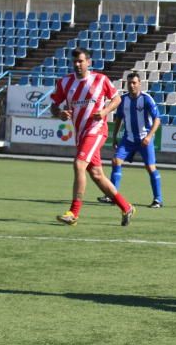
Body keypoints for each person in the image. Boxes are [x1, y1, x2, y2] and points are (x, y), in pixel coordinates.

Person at [51, 47, 134, 226]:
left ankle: (73, 212)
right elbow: (53, 106)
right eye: (74, 61)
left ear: (88, 62)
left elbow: (117, 99)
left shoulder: (100, 79)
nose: (77, 64)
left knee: (79, 164)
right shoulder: (65, 82)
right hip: (81, 134)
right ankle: (126, 207)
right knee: (97, 175)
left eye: (81, 61)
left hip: (96, 130)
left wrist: (104, 111)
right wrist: (60, 114)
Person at [97, 72, 164, 208]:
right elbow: (119, 119)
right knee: (116, 161)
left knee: (150, 168)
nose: (132, 85)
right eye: (129, 83)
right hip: (128, 139)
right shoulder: (123, 100)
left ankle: (158, 199)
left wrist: (149, 136)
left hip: (145, 139)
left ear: (139, 84)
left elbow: (157, 119)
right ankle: (112, 196)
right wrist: (115, 137)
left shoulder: (146, 99)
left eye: (134, 83)